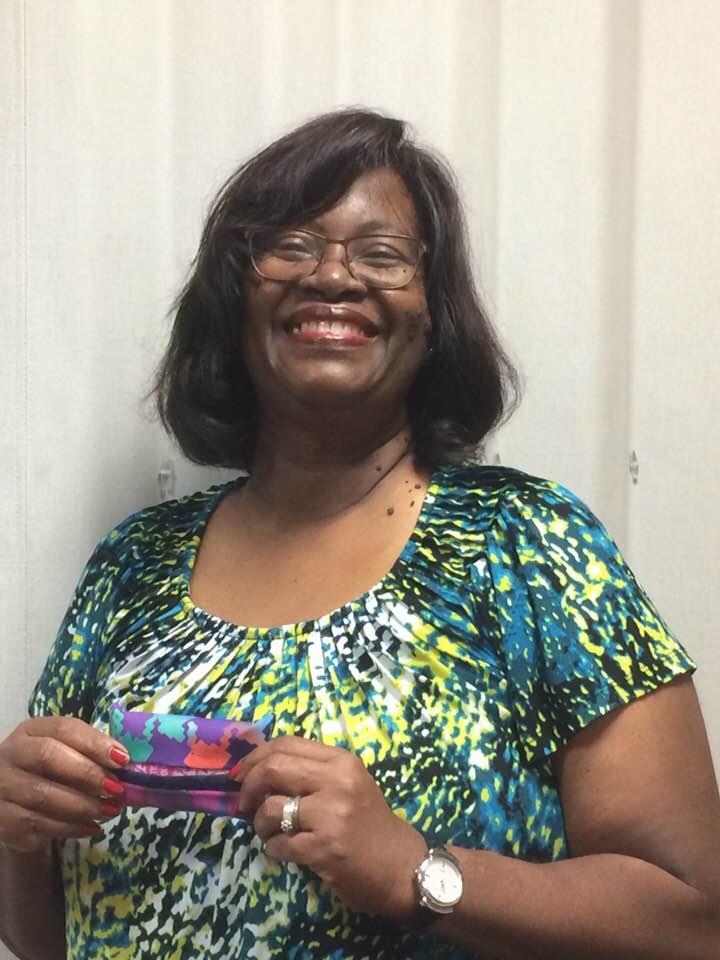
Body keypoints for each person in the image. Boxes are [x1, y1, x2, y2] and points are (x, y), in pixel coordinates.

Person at [1, 108, 718, 960]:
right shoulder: (134, 562)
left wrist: (417, 873)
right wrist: (16, 833)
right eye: (291, 247)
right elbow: (50, 939)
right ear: (235, 298)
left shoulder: (528, 544)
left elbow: (692, 921)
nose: (334, 278)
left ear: (433, 313)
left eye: (382, 254)